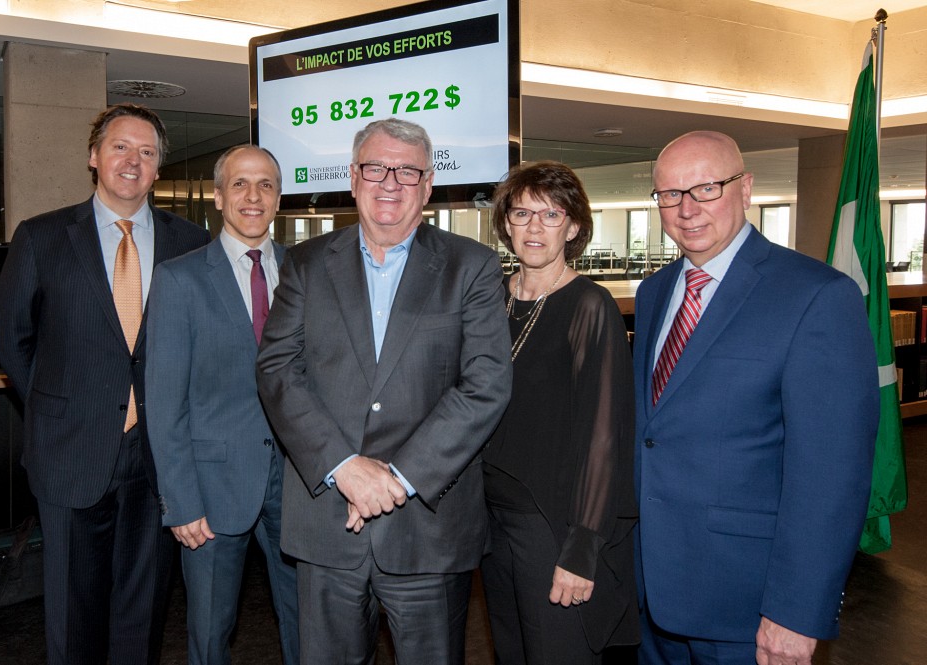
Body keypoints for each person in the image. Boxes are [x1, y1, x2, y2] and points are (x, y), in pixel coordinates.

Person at [255, 117, 512, 665]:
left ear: (427, 184)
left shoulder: (473, 266)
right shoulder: (304, 264)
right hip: (327, 527)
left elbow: (486, 383)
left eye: (407, 171)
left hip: (427, 528)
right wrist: (343, 465)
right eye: (376, 168)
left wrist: (396, 478)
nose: (390, 182)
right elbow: (277, 370)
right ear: (353, 177)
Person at [633, 130, 879, 665]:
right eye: (670, 195)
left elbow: (831, 474)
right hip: (654, 594)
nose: (686, 209)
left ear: (746, 189)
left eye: (706, 188)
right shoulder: (654, 292)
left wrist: (796, 611)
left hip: (748, 604)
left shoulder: (817, 296)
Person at [0, 103, 210, 664]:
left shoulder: (190, 242)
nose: (132, 161)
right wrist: (59, 407)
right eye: (120, 147)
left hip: (159, 459)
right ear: (94, 157)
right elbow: (12, 342)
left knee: (143, 613)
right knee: (72, 617)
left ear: (159, 167)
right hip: (71, 453)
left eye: (147, 151)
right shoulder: (40, 237)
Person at [144, 144, 299, 664]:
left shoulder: (307, 272)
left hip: (299, 486)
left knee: (308, 627)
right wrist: (180, 501)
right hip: (210, 492)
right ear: (217, 196)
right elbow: (164, 402)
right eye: (240, 184)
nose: (253, 197)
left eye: (266, 185)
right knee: (211, 635)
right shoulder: (179, 279)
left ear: (279, 198)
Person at [481, 161, 639, 664]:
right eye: (522, 213)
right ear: (505, 222)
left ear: (572, 227)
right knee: (511, 652)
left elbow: (604, 437)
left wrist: (582, 548)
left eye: (550, 214)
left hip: (551, 524)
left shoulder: (590, 306)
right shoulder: (489, 300)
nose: (533, 227)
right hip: (488, 519)